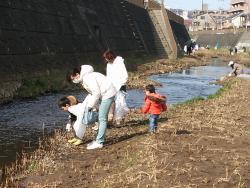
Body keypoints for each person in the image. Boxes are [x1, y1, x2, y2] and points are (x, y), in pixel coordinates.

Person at [67, 65, 116, 149]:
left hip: (107, 94)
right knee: (101, 117)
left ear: (77, 74)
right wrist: (87, 104)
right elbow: (92, 93)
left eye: (73, 78)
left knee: (102, 118)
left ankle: (99, 142)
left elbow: (96, 93)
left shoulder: (87, 78)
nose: (74, 81)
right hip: (105, 93)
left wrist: (89, 106)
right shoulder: (86, 76)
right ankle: (98, 139)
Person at [103, 49, 128, 124]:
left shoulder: (119, 62)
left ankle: (119, 119)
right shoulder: (108, 64)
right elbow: (108, 76)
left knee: (120, 102)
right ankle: (116, 119)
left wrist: (121, 83)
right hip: (112, 86)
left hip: (120, 86)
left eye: (106, 58)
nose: (106, 60)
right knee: (113, 102)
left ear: (110, 57)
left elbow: (124, 74)